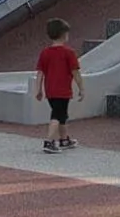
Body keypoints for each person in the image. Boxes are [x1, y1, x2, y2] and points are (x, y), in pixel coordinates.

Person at [36, 17, 85, 154]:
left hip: (50, 90)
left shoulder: (45, 53)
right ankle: (50, 141)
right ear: (64, 34)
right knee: (57, 115)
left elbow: (40, 73)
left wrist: (38, 89)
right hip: (63, 90)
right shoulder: (69, 53)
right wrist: (81, 88)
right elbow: (75, 72)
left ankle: (64, 139)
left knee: (62, 114)